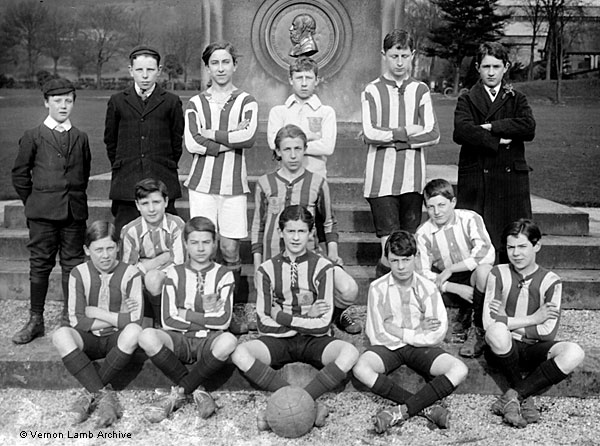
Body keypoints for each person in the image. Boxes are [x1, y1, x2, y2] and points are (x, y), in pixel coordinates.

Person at [232, 205, 359, 430]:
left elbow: (323, 324)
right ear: (280, 232)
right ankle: (304, 403)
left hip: (313, 340)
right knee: (240, 353)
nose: (296, 237)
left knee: (350, 353)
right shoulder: (266, 270)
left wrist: (282, 316)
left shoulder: (323, 267)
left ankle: (301, 402)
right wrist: (306, 317)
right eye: (290, 231)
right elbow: (263, 322)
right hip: (279, 340)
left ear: (311, 233)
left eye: (301, 231)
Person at [353, 230, 468, 435]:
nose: (401, 267)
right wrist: (418, 330)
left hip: (420, 348)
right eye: (395, 260)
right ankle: (425, 408)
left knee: (459, 369)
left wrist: (401, 332)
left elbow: (437, 332)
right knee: (361, 368)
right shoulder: (377, 288)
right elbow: (377, 333)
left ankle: (401, 411)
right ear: (388, 260)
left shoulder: (428, 287)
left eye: (406, 259)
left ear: (415, 257)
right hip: (389, 348)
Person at [253, 124, 361, 334]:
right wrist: (258, 264)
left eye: (298, 149)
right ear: (278, 151)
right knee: (276, 313)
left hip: (309, 255)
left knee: (348, 289)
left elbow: (329, 221)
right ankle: (297, 320)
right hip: (275, 258)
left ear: (305, 150)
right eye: (287, 149)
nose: (293, 155)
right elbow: (258, 225)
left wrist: (333, 253)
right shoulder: (265, 183)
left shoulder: (317, 182)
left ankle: (334, 315)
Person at [183, 41, 258, 334]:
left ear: (234, 65)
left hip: (233, 185)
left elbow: (248, 137)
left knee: (229, 249)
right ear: (207, 68)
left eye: (226, 62)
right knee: (203, 247)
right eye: (215, 63)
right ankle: (204, 310)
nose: (221, 68)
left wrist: (211, 134)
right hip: (201, 185)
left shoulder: (246, 101)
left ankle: (232, 311)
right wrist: (229, 138)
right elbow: (192, 143)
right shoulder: (196, 103)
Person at [12, 78, 92, 344]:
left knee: (73, 264)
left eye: (68, 101)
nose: (63, 106)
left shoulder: (80, 137)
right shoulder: (33, 136)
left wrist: (72, 199)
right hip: (42, 214)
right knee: (40, 264)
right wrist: (35, 202)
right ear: (46, 102)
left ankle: (70, 318)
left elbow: (84, 174)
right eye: (57, 101)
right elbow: (20, 175)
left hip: (74, 214)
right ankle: (36, 319)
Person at [483, 219, 585, 428]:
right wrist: (534, 319)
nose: (516, 253)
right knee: (497, 331)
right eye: (511, 247)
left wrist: (507, 320)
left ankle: (513, 396)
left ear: (537, 245)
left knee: (575, 352)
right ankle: (524, 397)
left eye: (522, 246)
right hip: (503, 348)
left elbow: (547, 332)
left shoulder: (551, 280)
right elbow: (489, 323)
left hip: (534, 350)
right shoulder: (498, 273)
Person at [138, 216, 237, 423]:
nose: (200, 248)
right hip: (180, 339)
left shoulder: (224, 275)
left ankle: (179, 393)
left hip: (209, 340)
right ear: (185, 244)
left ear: (214, 243)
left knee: (229, 341)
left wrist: (185, 314)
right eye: (194, 242)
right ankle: (198, 389)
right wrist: (205, 317)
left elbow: (223, 321)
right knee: (147, 336)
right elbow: (167, 320)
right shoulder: (174, 273)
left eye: (206, 242)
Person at [361, 29, 440, 279]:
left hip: (412, 180)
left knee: (407, 247)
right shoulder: (372, 90)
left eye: (404, 56)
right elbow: (370, 133)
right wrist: (408, 131)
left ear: (412, 55)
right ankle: (381, 293)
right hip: (381, 181)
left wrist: (393, 138)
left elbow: (433, 134)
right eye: (394, 56)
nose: (399, 62)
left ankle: (407, 298)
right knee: (389, 249)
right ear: (384, 54)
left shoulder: (420, 90)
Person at [51, 220, 143, 427]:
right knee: (61, 335)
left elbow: (135, 319)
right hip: (89, 340)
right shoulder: (78, 273)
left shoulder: (131, 273)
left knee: (135, 331)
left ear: (118, 247)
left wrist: (98, 313)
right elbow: (77, 321)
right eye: (98, 250)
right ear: (87, 250)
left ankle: (89, 394)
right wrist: (119, 316)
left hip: (116, 340)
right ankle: (105, 398)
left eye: (110, 248)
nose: (105, 255)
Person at [453, 42, 536, 261]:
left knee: (512, 237)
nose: (491, 73)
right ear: (478, 68)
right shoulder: (467, 98)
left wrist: (492, 126)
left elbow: (528, 127)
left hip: (510, 181)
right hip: (477, 178)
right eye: (486, 67)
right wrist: (496, 141)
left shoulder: (517, 98)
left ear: (505, 67)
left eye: (496, 67)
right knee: (476, 241)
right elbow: (461, 131)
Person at [105, 45, 184, 236]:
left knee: (165, 239)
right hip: (127, 181)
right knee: (125, 237)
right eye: (139, 70)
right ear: (131, 70)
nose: (145, 75)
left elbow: (176, 142)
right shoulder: (117, 101)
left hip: (161, 177)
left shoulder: (171, 102)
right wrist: (123, 165)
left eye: (150, 69)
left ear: (159, 70)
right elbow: (111, 141)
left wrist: (163, 164)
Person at [415, 178, 495, 358]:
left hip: (471, 273)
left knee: (485, 272)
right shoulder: (423, 233)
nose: (437, 212)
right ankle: (457, 320)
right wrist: (452, 287)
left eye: (442, 205)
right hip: (446, 281)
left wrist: (451, 268)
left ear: (453, 202)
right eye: (430, 207)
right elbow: (421, 272)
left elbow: (485, 252)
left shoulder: (470, 218)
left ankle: (478, 329)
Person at [120, 178, 185, 326]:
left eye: (156, 202)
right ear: (137, 205)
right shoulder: (130, 231)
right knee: (147, 279)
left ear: (166, 202)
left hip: (171, 280)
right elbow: (127, 272)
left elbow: (178, 265)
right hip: (140, 283)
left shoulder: (176, 225)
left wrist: (145, 266)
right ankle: (149, 317)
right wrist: (161, 259)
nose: (151, 209)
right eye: (145, 203)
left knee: (153, 278)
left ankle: (160, 321)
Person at [267, 57, 335, 179]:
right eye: (299, 78)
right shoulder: (279, 112)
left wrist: (288, 146)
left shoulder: (325, 112)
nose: (304, 84)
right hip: (285, 178)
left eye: (308, 78)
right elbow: (274, 144)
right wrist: (311, 138)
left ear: (316, 80)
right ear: (291, 80)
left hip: (315, 178)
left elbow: (327, 147)